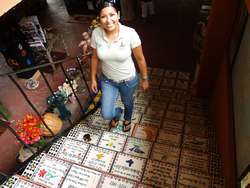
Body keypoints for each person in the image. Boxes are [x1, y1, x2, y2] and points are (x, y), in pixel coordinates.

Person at [90, 0, 149, 132]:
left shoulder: (130, 33)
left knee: (128, 102)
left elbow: (140, 59)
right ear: (99, 19)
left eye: (112, 15)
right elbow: (94, 57)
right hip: (107, 80)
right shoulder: (96, 33)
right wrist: (93, 78)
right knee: (106, 114)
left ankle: (127, 118)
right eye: (103, 16)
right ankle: (117, 113)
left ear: (118, 14)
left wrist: (145, 79)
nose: (108, 20)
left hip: (127, 80)